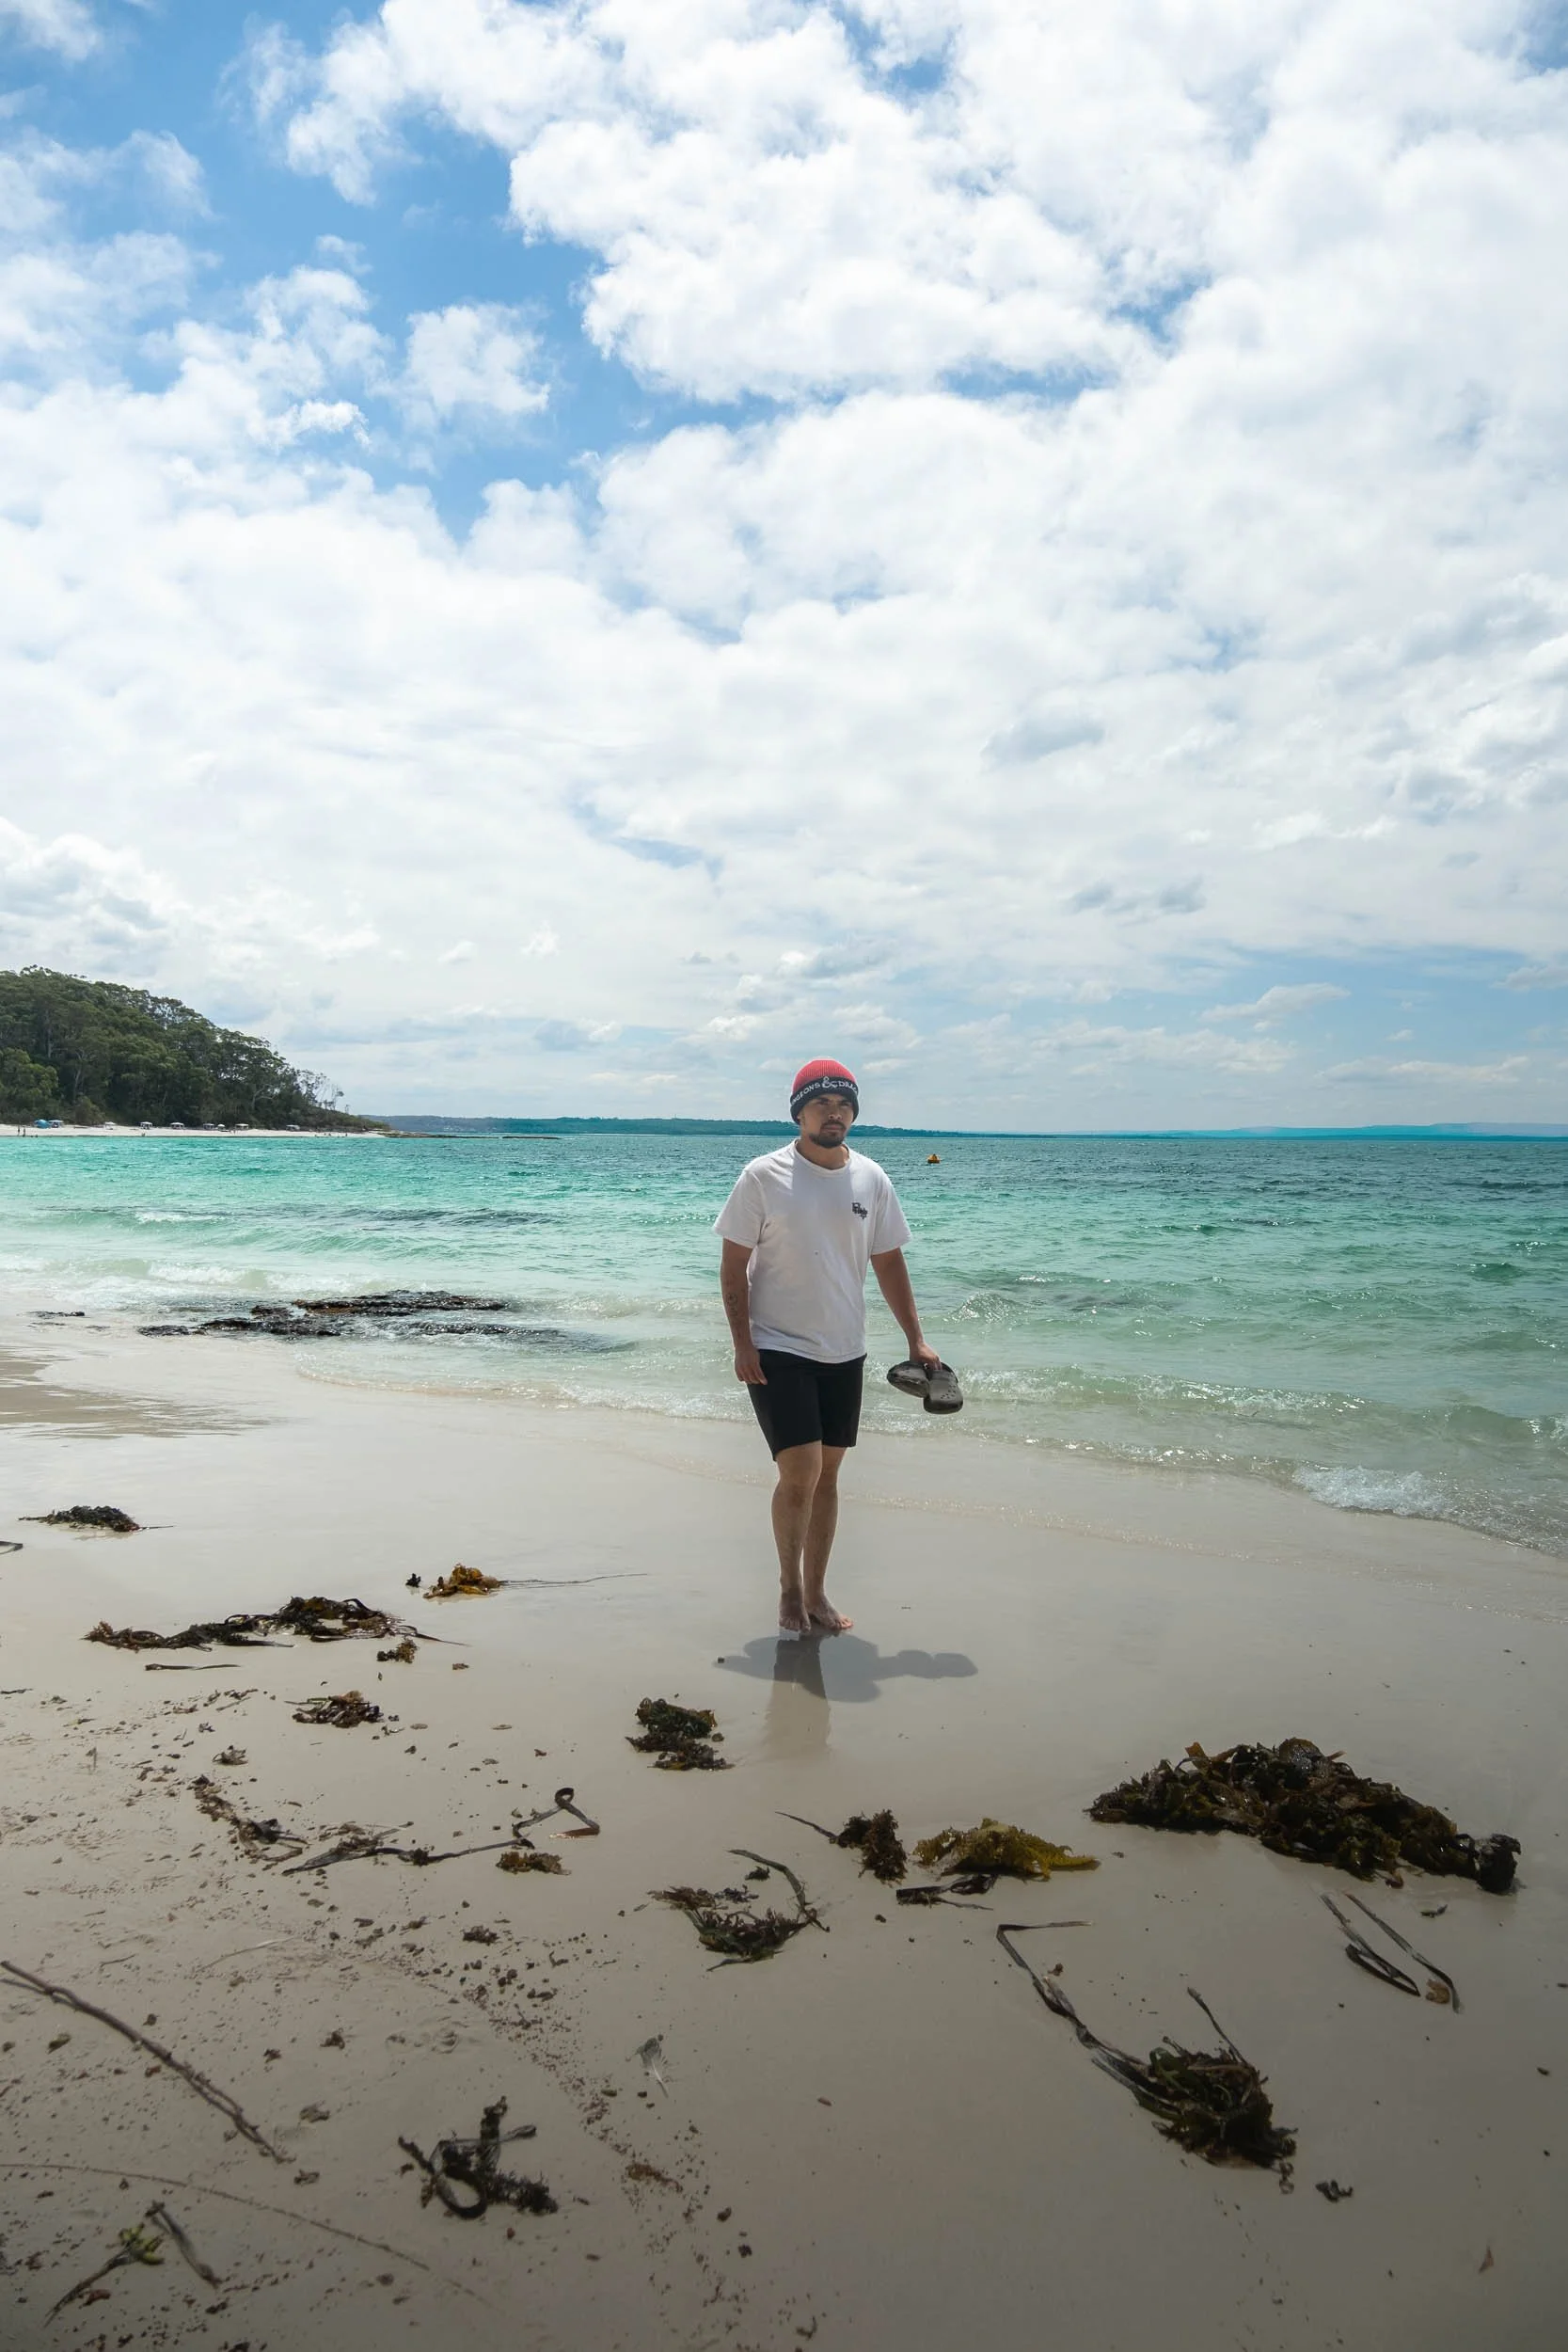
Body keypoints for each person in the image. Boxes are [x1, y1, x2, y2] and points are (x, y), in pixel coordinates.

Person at [716, 1058, 940, 1634]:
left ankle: (816, 1591)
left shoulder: (871, 1178)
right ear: (799, 1112)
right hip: (776, 1347)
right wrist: (743, 1343)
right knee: (801, 1471)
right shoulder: (763, 1176)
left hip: (845, 1349)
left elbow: (888, 1261)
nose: (834, 1112)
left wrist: (916, 1337)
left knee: (829, 1476)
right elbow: (734, 1264)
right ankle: (789, 1590)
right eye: (821, 1103)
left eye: (843, 1103)